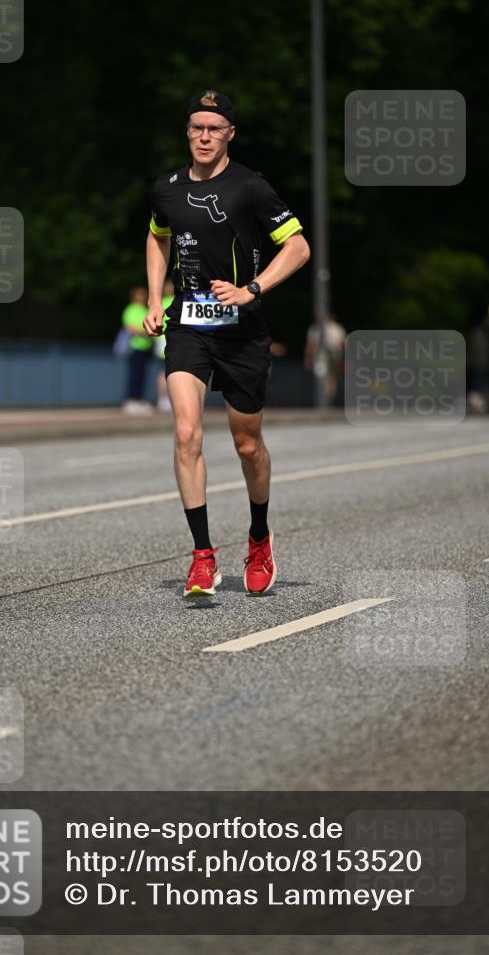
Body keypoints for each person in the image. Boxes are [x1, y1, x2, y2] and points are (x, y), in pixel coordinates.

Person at [144, 89, 310, 597]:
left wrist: (250, 290)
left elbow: (298, 248)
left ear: (229, 134)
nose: (204, 136)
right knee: (187, 433)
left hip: (242, 332)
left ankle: (259, 537)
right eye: (196, 127)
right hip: (189, 325)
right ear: (187, 131)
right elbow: (157, 237)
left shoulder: (251, 188)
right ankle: (202, 557)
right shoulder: (167, 188)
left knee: (246, 444)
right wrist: (155, 297)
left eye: (214, 128)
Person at [121, 286, 153, 414]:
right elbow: (131, 328)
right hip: (134, 348)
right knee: (134, 374)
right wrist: (146, 332)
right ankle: (131, 400)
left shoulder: (145, 309)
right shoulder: (130, 310)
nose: (143, 297)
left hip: (145, 348)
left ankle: (138, 399)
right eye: (140, 295)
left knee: (142, 375)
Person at [154, 279, 174, 412]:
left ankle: (163, 399)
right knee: (174, 371)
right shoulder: (175, 301)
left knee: (162, 372)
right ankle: (171, 400)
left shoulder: (159, 303)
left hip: (160, 340)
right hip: (172, 338)